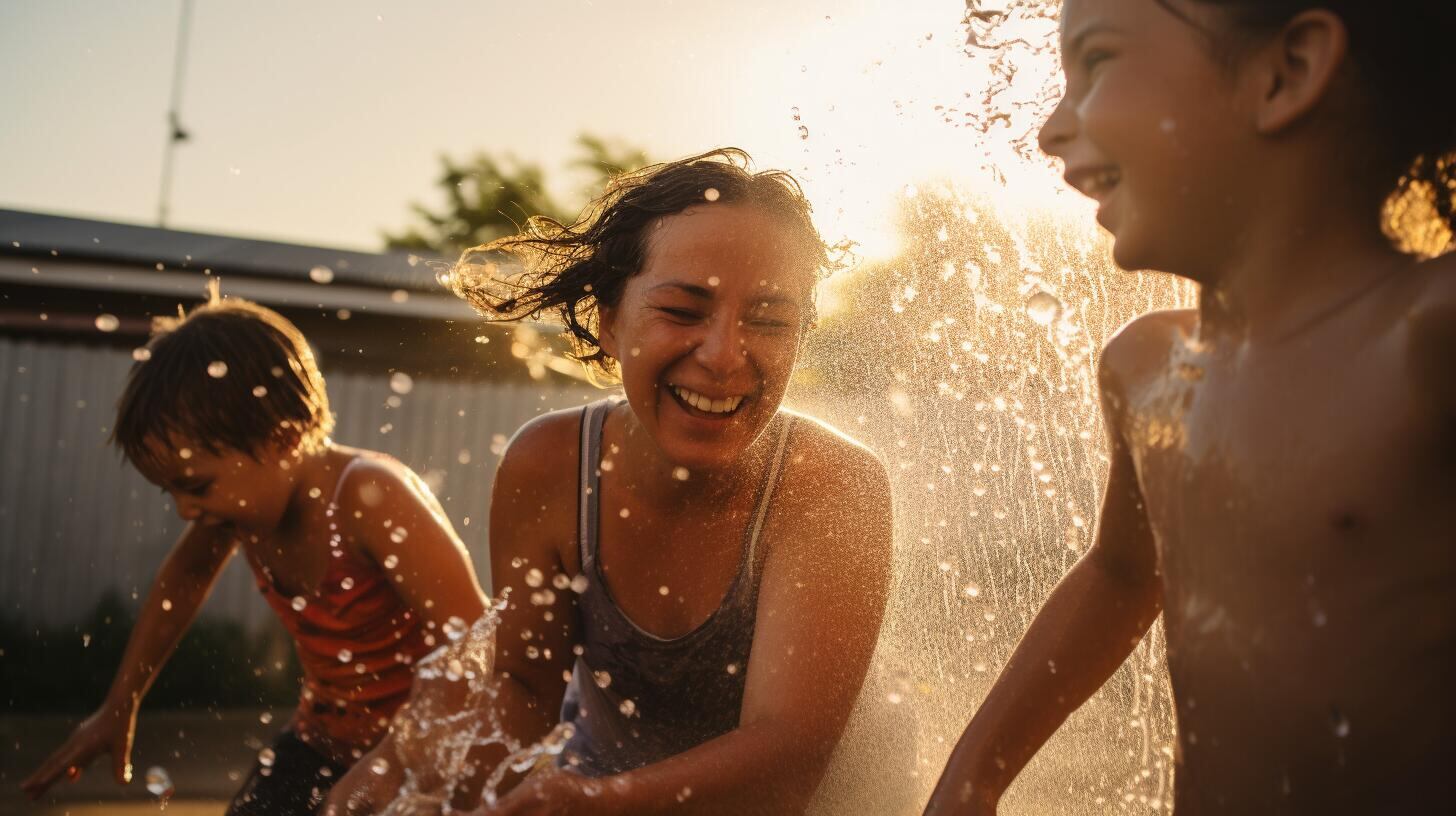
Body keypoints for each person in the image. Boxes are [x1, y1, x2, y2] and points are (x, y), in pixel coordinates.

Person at [924, 1, 1456, 813]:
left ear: (1287, 72)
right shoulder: (1146, 371)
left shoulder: (1426, 344)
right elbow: (1123, 574)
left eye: (1096, 64)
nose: (1051, 130)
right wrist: (973, 775)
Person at [327, 149, 896, 815]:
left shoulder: (829, 485)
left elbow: (785, 761)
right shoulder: (551, 467)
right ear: (608, 320)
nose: (723, 355)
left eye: (769, 321)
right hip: (600, 787)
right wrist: (410, 770)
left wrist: (599, 802)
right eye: (684, 311)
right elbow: (523, 690)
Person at [20, 294, 488, 814]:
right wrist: (120, 702)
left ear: (282, 441)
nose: (185, 511)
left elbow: (478, 642)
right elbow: (185, 576)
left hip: (430, 752)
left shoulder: (368, 498)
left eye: (196, 486)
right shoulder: (239, 509)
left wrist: (391, 765)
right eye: (170, 492)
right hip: (322, 742)